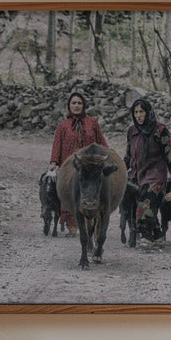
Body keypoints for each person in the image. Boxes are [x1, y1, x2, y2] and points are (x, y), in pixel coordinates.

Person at [124, 99, 171, 248]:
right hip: (137, 175)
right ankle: (158, 236)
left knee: (145, 204)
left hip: (155, 175)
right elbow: (128, 155)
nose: (138, 115)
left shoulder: (160, 130)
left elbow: (170, 155)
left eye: (141, 112)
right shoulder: (132, 131)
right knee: (142, 203)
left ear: (148, 112)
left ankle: (146, 237)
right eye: (136, 112)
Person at [49, 91, 108, 234]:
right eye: (73, 103)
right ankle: (72, 225)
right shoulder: (63, 125)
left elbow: (100, 141)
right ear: (69, 105)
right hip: (70, 165)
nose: (76, 105)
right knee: (71, 193)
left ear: (84, 105)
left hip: (89, 165)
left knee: (91, 190)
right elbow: (57, 144)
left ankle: (91, 221)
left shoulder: (92, 123)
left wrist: (108, 155)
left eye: (79, 103)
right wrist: (54, 162)